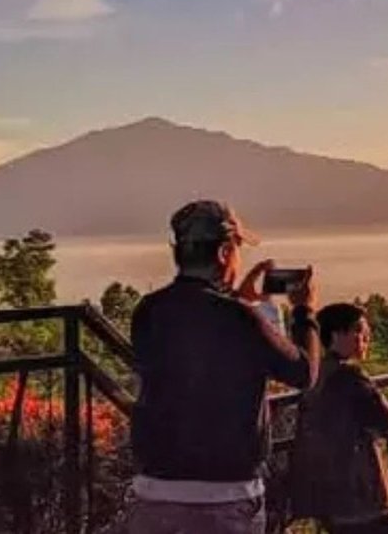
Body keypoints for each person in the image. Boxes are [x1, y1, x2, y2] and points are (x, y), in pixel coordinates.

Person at [126, 200, 320, 534]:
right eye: (237, 249)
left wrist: (242, 302)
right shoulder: (239, 318)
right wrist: (304, 312)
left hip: (153, 493)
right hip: (222, 499)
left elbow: (192, 358)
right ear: (223, 253)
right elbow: (303, 373)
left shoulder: (149, 311)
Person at [289, 303, 388, 534]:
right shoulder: (351, 377)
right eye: (360, 331)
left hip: (328, 495)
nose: (366, 338)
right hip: (361, 490)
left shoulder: (315, 375)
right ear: (338, 334)